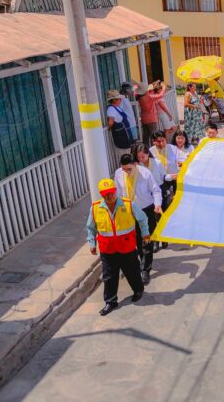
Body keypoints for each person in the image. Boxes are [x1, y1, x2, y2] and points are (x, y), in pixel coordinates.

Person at [87, 178, 148, 316]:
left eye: (112, 192)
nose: (110, 196)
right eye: (106, 194)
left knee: (132, 271)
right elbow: (91, 227)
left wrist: (145, 233)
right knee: (109, 276)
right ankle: (110, 302)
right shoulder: (95, 208)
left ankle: (138, 290)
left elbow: (142, 218)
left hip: (127, 247)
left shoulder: (128, 204)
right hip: (107, 249)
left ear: (116, 191)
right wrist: (92, 243)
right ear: (101, 194)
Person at [113, 154, 162, 285]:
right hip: (127, 211)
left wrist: (157, 205)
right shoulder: (118, 173)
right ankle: (137, 265)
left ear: (135, 164)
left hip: (145, 210)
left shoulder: (145, 173)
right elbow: (117, 193)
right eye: (124, 169)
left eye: (129, 169)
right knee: (132, 240)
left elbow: (156, 190)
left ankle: (145, 270)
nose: (126, 172)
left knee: (145, 240)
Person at [106, 90, 136, 157]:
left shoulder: (117, 107)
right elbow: (110, 122)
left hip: (125, 136)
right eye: (119, 98)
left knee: (127, 155)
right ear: (114, 100)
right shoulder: (111, 109)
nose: (120, 100)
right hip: (121, 137)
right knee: (124, 156)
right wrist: (108, 128)